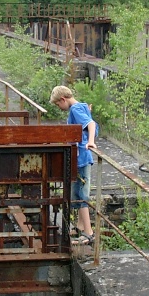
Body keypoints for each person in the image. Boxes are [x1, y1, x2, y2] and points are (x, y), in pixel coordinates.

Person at [50, 85, 97, 247]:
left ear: (63, 99)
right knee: (78, 192)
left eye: (58, 104)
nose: (59, 107)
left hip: (82, 158)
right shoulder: (82, 106)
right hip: (81, 158)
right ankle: (80, 227)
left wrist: (90, 141)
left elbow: (91, 125)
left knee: (81, 195)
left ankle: (89, 233)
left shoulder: (75, 110)